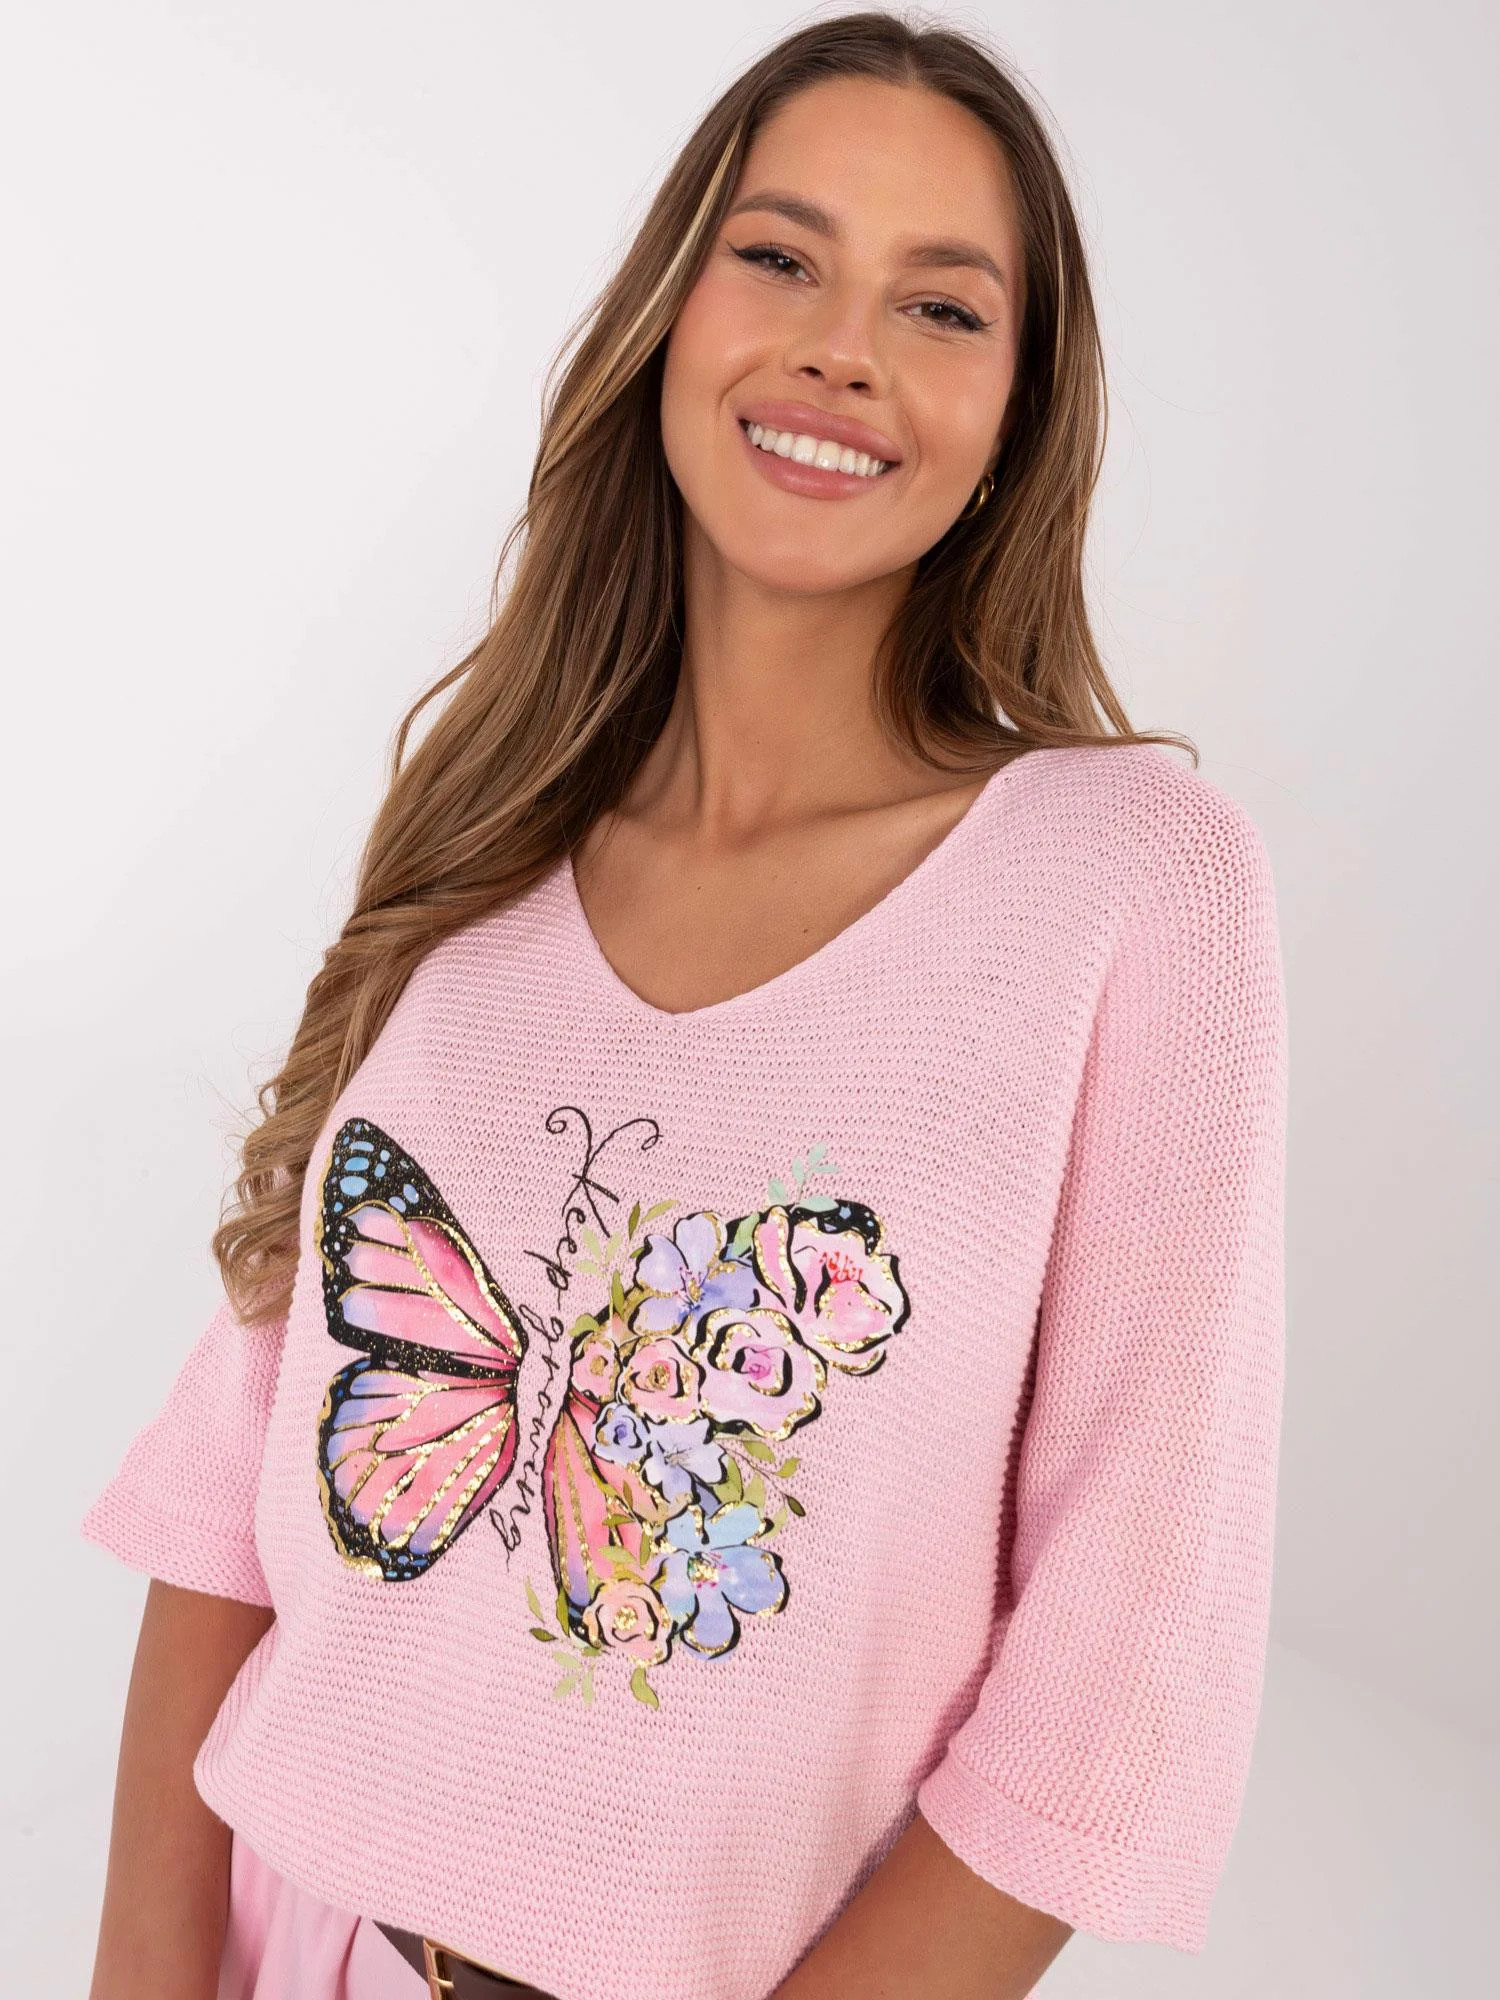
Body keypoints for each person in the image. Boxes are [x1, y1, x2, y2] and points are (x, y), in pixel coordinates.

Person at [83, 12, 1287, 2000]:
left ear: (1020, 409)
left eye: (942, 306)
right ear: (670, 315)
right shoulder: (489, 833)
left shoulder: (1130, 881)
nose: (843, 349)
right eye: (782, 256)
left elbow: (1117, 1678)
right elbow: (234, 1485)